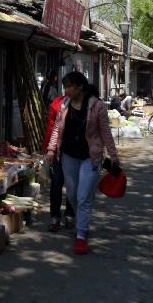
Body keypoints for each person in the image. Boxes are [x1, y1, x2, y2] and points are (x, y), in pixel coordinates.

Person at [46, 71, 120, 255]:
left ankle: (80, 235)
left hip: (90, 157)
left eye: (69, 86)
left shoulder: (97, 107)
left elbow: (105, 133)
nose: (66, 90)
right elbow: (57, 128)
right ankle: (82, 222)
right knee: (71, 194)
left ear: (80, 87)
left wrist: (114, 156)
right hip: (69, 156)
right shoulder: (64, 105)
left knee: (83, 196)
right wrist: (50, 149)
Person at [44, 94, 74, 232]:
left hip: (76, 153)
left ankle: (69, 215)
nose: (68, 89)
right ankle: (56, 216)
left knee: (72, 186)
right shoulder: (59, 104)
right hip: (59, 152)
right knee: (56, 184)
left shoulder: (89, 104)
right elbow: (53, 127)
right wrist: (50, 148)